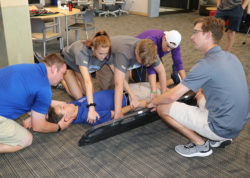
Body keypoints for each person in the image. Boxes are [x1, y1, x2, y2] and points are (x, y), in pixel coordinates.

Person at [148, 16, 249, 157]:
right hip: (237, 124)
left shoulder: (205, 65)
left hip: (220, 127)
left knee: (162, 107)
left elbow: (172, 96)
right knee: (199, 93)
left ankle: (200, 145)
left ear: (208, 35)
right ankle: (222, 138)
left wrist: (154, 101)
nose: (191, 37)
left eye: (196, 32)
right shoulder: (231, 57)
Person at [0, 54, 72, 153]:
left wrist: (34, 116)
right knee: (27, 139)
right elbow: (38, 126)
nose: (62, 78)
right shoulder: (45, 90)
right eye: (62, 73)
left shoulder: (29, 67)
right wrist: (59, 127)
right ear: (54, 69)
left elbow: (30, 100)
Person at [97, 36, 167, 119]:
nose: (143, 65)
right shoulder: (124, 53)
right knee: (108, 90)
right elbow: (118, 83)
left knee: (122, 93)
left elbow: (161, 72)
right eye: (141, 62)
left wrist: (163, 97)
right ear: (136, 52)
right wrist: (118, 113)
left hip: (125, 63)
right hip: (106, 58)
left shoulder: (151, 52)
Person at [22, 86, 148, 127]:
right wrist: (135, 105)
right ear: (66, 117)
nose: (63, 103)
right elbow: (115, 114)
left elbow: (51, 103)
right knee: (157, 91)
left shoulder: (74, 106)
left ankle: (169, 80)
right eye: (62, 107)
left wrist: (34, 116)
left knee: (159, 84)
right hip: (130, 99)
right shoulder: (89, 117)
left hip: (119, 89)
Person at [61, 30, 112, 125]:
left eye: (106, 54)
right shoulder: (82, 52)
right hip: (67, 63)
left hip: (79, 68)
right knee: (79, 97)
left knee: (89, 95)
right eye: (100, 53)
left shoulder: (107, 53)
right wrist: (91, 107)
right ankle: (62, 81)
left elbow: (117, 73)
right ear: (93, 48)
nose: (103, 57)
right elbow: (87, 81)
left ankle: (72, 80)